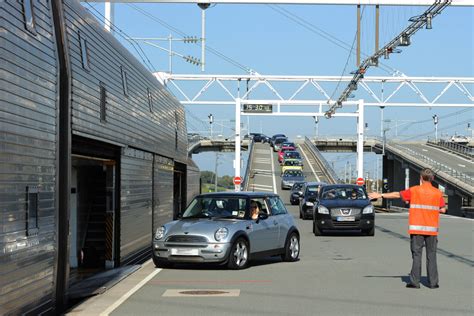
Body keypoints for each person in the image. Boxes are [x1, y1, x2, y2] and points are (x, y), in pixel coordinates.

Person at [368, 168, 446, 289]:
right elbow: (443, 209)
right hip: (431, 230)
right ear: (432, 179)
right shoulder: (437, 193)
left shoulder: (414, 190)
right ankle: (433, 283)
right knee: (432, 255)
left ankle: (415, 282)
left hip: (417, 229)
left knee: (417, 255)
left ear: (421, 178)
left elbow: (397, 195)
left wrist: (380, 195)